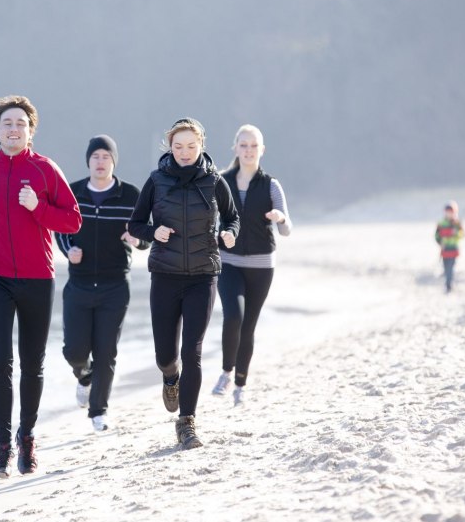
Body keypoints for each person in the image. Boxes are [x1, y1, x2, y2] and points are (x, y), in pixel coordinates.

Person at [0, 96, 82, 478]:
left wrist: (37, 208)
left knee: (32, 363)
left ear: (31, 132)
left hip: (36, 277)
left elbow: (72, 220)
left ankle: (26, 437)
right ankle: (2, 447)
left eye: (21, 124)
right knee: (0, 359)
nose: (14, 129)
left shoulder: (45, 170)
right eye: (7, 124)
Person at [128, 118, 240, 450]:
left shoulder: (215, 181)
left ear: (201, 145)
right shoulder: (156, 180)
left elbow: (232, 217)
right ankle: (169, 376)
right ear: (170, 147)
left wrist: (229, 233)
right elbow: (135, 224)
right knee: (166, 355)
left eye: (191, 146)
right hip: (165, 275)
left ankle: (187, 422)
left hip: (203, 276)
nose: (185, 152)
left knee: (192, 351)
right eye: (178, 146)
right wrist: (153, 232)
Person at [55, 135, 150, 433]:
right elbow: (59, 228)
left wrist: (137, 240)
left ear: (113, 161)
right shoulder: (73, 192)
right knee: (74, 351)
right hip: (79, 284)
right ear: (88, 161)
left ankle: (99, 410)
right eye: (95, 156)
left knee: (106, 351)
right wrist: (68, 249)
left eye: (105, 156)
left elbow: (146, 233)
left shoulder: (130, 195)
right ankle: (84, 376)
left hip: (115, 285)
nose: (100, 162)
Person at [211, 125, 292, 405]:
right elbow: (209, 218)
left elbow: (287, 230)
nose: (248, 150)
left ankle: (240, 385)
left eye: (254, 145)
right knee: (233, 316)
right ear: (235, 148)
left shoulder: (271, 185)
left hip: (262, 264)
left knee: (248, 326)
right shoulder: (221, 181)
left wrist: (280, 217)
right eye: (243, 145)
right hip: (228, 260)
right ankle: (226, 372)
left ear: (262, 150)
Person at [435, 200, 464, 293]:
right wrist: (440, 242)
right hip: (445, 250)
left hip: (453, 249)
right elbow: (437, 235)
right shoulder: (441, 223)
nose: (449, 214)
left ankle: (449, 284)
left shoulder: (457, 223)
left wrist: (456, 233)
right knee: (445, 266)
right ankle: (447, 281)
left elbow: (462, 234)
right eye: (447, 212)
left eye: (451, 212)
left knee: (451, 267)